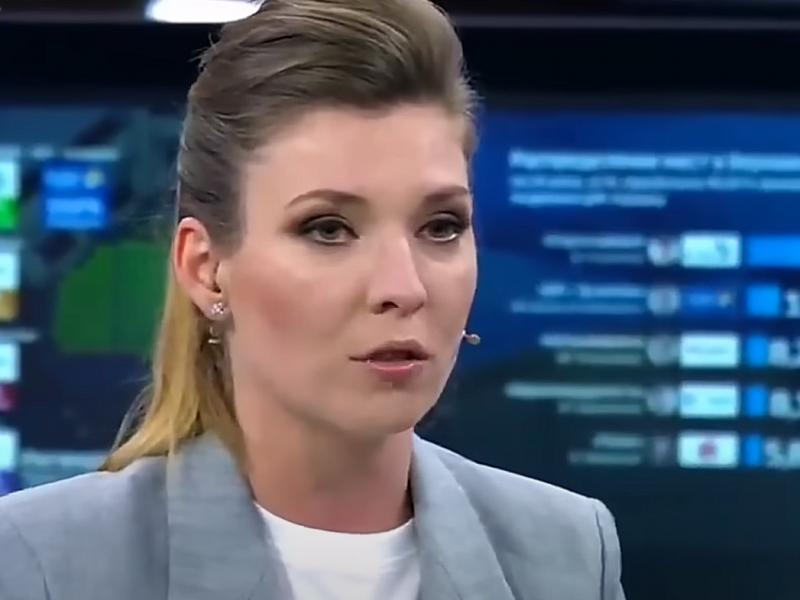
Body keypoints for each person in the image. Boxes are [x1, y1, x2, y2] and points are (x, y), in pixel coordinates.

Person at [0, 1, 626, 599]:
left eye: (441, 226)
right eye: (328, 229)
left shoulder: (569, 552)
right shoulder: (41, 561)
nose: (403, 287)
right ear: (206, 269)